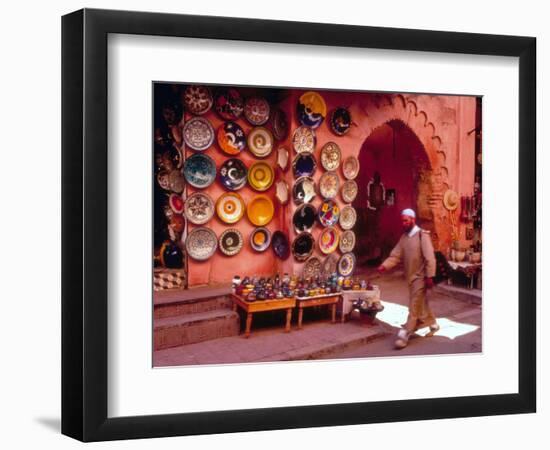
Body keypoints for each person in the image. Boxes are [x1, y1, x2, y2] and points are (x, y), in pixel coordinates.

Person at [377, 208, 440, 349]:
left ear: (413, 220)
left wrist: (430, 276)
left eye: (406, 220)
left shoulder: (422, 236)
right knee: (420, 303)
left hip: (421, 277)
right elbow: (395, 255)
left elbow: (430, 258)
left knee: (414, 305)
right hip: (411, 278)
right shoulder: (404, 238)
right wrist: (384, 266)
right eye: (402, 221)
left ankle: (404, 334)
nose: (403, 223)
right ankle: (434, 324)